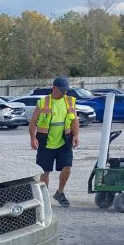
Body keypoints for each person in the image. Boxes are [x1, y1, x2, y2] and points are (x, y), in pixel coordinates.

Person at [29, 76, 79, 207]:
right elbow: (33, 121)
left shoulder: (70, 101)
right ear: (54, 88)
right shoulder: (43, 102)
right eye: (61, 90)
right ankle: (44, 198)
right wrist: (33, 138)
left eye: (66, 90)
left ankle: (60, 193)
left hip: (65, 140)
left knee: (67, 167)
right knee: (45, 171)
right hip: (46, 142)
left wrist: (76, 135)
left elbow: (74, 120)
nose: (64, 92)